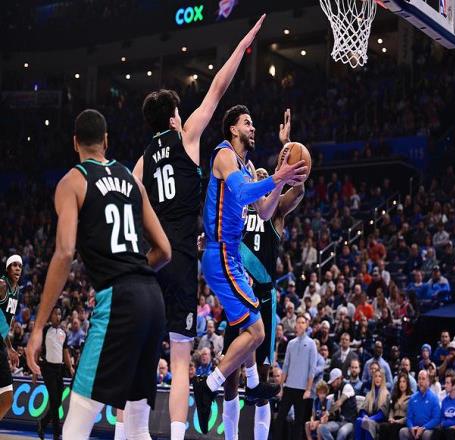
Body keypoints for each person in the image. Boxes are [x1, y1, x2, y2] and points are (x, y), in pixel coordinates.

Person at [133, 15, 266, 440]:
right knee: (179, 360)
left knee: (140, 354)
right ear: (174, 118)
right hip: (181, 256)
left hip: (150, 258)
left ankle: (127, 433)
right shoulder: (187, 136)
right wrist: (244, 43)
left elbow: (130, 196)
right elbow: (218, 87)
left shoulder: (142, 160)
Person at [25, 109, 172, 440]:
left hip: (119, 299)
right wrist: (134, 275)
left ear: (75, 143)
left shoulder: (73, 181)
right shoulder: (132, 180)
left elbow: (65, 252)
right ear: (106, 141)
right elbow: (164, 250)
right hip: (152, 299)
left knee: (76, 423)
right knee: (137, 426)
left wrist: (37, 328)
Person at [195, 103, 307, 433]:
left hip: (233, 262)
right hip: (222, 255)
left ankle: (253, 385)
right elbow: (243, 193)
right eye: (247, 122)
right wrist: (277, 176)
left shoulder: (246, 166)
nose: (253, 127)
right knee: (255, 332)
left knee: (252, 331)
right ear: (233, 129)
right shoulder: (224, 155)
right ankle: (208, 385)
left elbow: (266, 209)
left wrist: (283, 163)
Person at [274, 314, 317, 439]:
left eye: (303, 322)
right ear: (295, 325)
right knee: (280, 418)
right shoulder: (291, 343)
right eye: (298, 322)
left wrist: (308, 389)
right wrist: (281, 387)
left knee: (298, 421)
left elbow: (312, 368)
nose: (300, 325)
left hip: (302, 389)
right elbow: (285, 366)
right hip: (289, 387)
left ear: (306, 325)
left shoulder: (311, 344)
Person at [36, 306, 74, 440]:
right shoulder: (45, 330)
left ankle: (43, 423)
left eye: (59, 314)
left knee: (57, 402)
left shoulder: (64, 333)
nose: (57, 316)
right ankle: (56, 434)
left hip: (59, 369)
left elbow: (65, 352)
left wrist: (70, 368)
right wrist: (35, 370)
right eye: (55, 314)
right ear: (50, 316)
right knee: (54, 400)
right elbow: (38, 350)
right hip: (47, 368)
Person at [0, 255, 22, 419]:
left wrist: (10, 347)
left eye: (19, 266)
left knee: (7, 398)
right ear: (7, 269)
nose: (17, 268)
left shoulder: (17, 291)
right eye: (14, 265)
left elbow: (5, 325)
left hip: (1, 344)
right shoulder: (2, 285)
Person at [399, 370, 440, 440]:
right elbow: (409, 418)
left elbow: (436, 419)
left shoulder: (434, 398)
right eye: (419, 379)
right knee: (403, 432)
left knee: (426, 434)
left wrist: (424, 428)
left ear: (428, 381)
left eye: (423, 379)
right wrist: (411, 427)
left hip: (427, 429)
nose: (421, 381)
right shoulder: (413, 398)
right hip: (414, 428)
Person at [317, 368, 357, 440]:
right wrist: (326, 417)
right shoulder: (336, 390)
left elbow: (339, 403)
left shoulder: (347, 387)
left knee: (342, 432)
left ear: (339, 379)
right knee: (322, 428)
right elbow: (335, 408)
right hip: (339, 421)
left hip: (349, 422)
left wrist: (327, 413)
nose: (332, 384)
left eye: (333, 382)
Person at [354, 369, 391, 440]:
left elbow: (382, 414)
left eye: (380, 376)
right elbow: (363, 409)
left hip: (378, 422)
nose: (377, 378)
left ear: (383, 379)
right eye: (375, 376)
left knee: (367, 423)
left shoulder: (387, 395)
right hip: (368, 419)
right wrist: (364, 416)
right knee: (359, 420)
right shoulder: (369, 394)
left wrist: (369, 419)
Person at [433, 371, 455, 440]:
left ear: (454, 386)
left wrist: (445, 424)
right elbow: (441, 418)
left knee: (449, 432)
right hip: (446, 429)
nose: (445, 385)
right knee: (437, 430)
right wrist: (448, 425)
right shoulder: (444, 401)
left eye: (447, 383)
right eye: (445, 382)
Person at [379, 373, 412, 440]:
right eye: (400, 382)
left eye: (404, 382)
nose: (401, 384)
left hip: (403, 421)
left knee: (394, 427)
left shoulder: (411, 397)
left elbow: (410, 415)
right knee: (383, 426)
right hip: (394, 420)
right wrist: (390, 418)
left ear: (407, 384)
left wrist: (399, 421)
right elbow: (391, 409)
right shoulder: (395, 396)